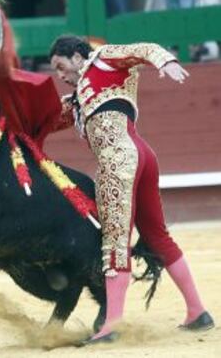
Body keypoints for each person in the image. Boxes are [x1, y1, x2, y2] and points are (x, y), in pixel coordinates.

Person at [49, 35, 215, 343]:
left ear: (76, 55)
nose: (60, 76)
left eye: (61, 66)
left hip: (120, 158)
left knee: (115, 240)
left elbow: (143, 49)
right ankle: (197, 312)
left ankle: (112, 324)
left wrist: (166, 60)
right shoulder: (77, 102)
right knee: (157, 235)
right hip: (142, 155)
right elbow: (43, 119)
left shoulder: (103, 57)